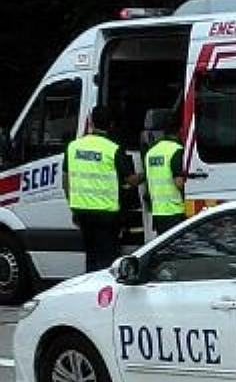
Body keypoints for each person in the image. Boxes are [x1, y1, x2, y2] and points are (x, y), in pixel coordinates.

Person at [63, 106, 138, 272]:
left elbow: (65, 182)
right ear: (111, 125)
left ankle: (90, 292)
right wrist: (147, 174)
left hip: (83, 213)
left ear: (91, 122)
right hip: (106, 215)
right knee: (107, 262)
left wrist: (74, 207)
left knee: (91, 258)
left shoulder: (73, 147)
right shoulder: (113, 149)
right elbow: (130, 181)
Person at [143, 114, 187, 236]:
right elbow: (178, 183)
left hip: (158, 212)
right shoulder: (176, 150)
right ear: (181, 130)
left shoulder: (151, 152)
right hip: (175, 211)